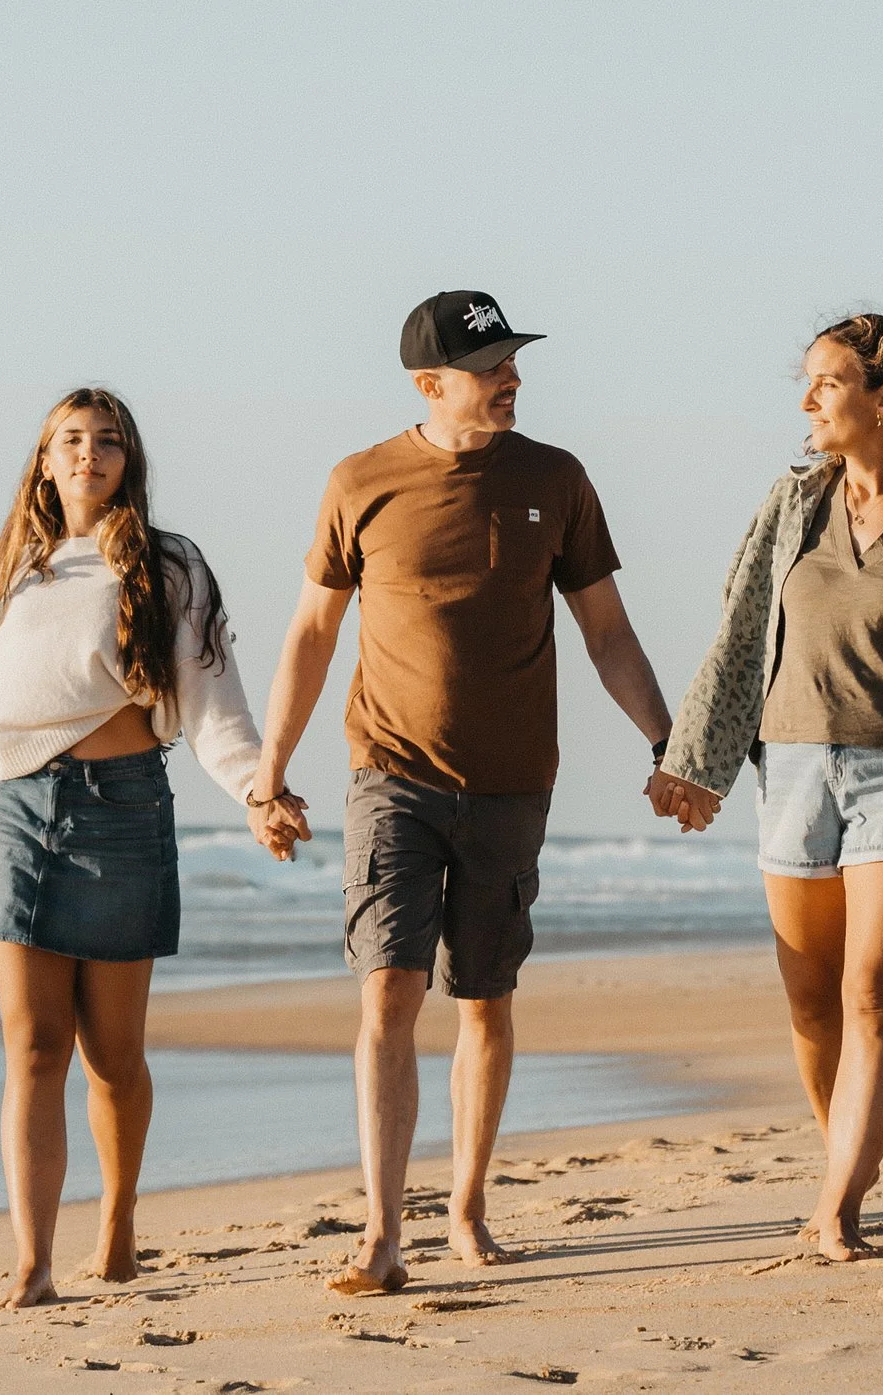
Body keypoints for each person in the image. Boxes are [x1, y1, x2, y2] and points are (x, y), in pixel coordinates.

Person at [247, 291, 679, 1296]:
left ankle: (471, 1208)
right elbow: (311, 634)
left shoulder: (555, 478)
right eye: (490, 364)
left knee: (484, 997)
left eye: (512, 359)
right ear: (429, 383)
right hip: (390, 772)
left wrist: (666, 739)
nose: (511, 376)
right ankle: (383, 1231)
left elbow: (606, 630)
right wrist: (268, 771)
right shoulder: (360, 480)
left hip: (512, 781)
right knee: (389, 989)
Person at [652, 313, 883, 1261]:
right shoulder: (792, 505)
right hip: (790, 764)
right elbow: (741, 629)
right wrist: (694, 759)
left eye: (827, 383)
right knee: (811, 1001)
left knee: (872, 992)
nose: (808, 400)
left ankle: (837, 1205)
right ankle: (846, 1165)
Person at [0, 387, 270, 1308]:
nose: (88, 453)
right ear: (44, 458)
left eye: (107, 441)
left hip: (122, 809)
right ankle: (32, 1260)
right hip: (16, 810)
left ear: (128, 460)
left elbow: (212, 699)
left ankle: (117, 1219)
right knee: (32, 1050)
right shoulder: (18, 568)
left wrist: (260, 789)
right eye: (71, 439)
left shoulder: (167, 562)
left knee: (113, 1053)